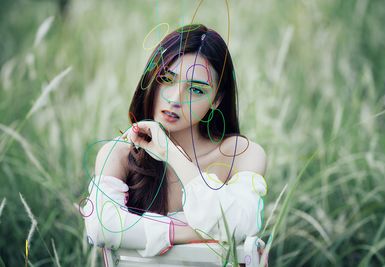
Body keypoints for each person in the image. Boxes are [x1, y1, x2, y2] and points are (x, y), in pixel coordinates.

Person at [83, 24, 268, 262]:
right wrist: (194, 233)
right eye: (166, 79)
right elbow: (101, 227)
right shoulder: (118, 154)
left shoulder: (242, 154)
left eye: (196, 90)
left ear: (217, 100)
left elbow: (238, 226)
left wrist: (172, 154)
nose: (175, 99)